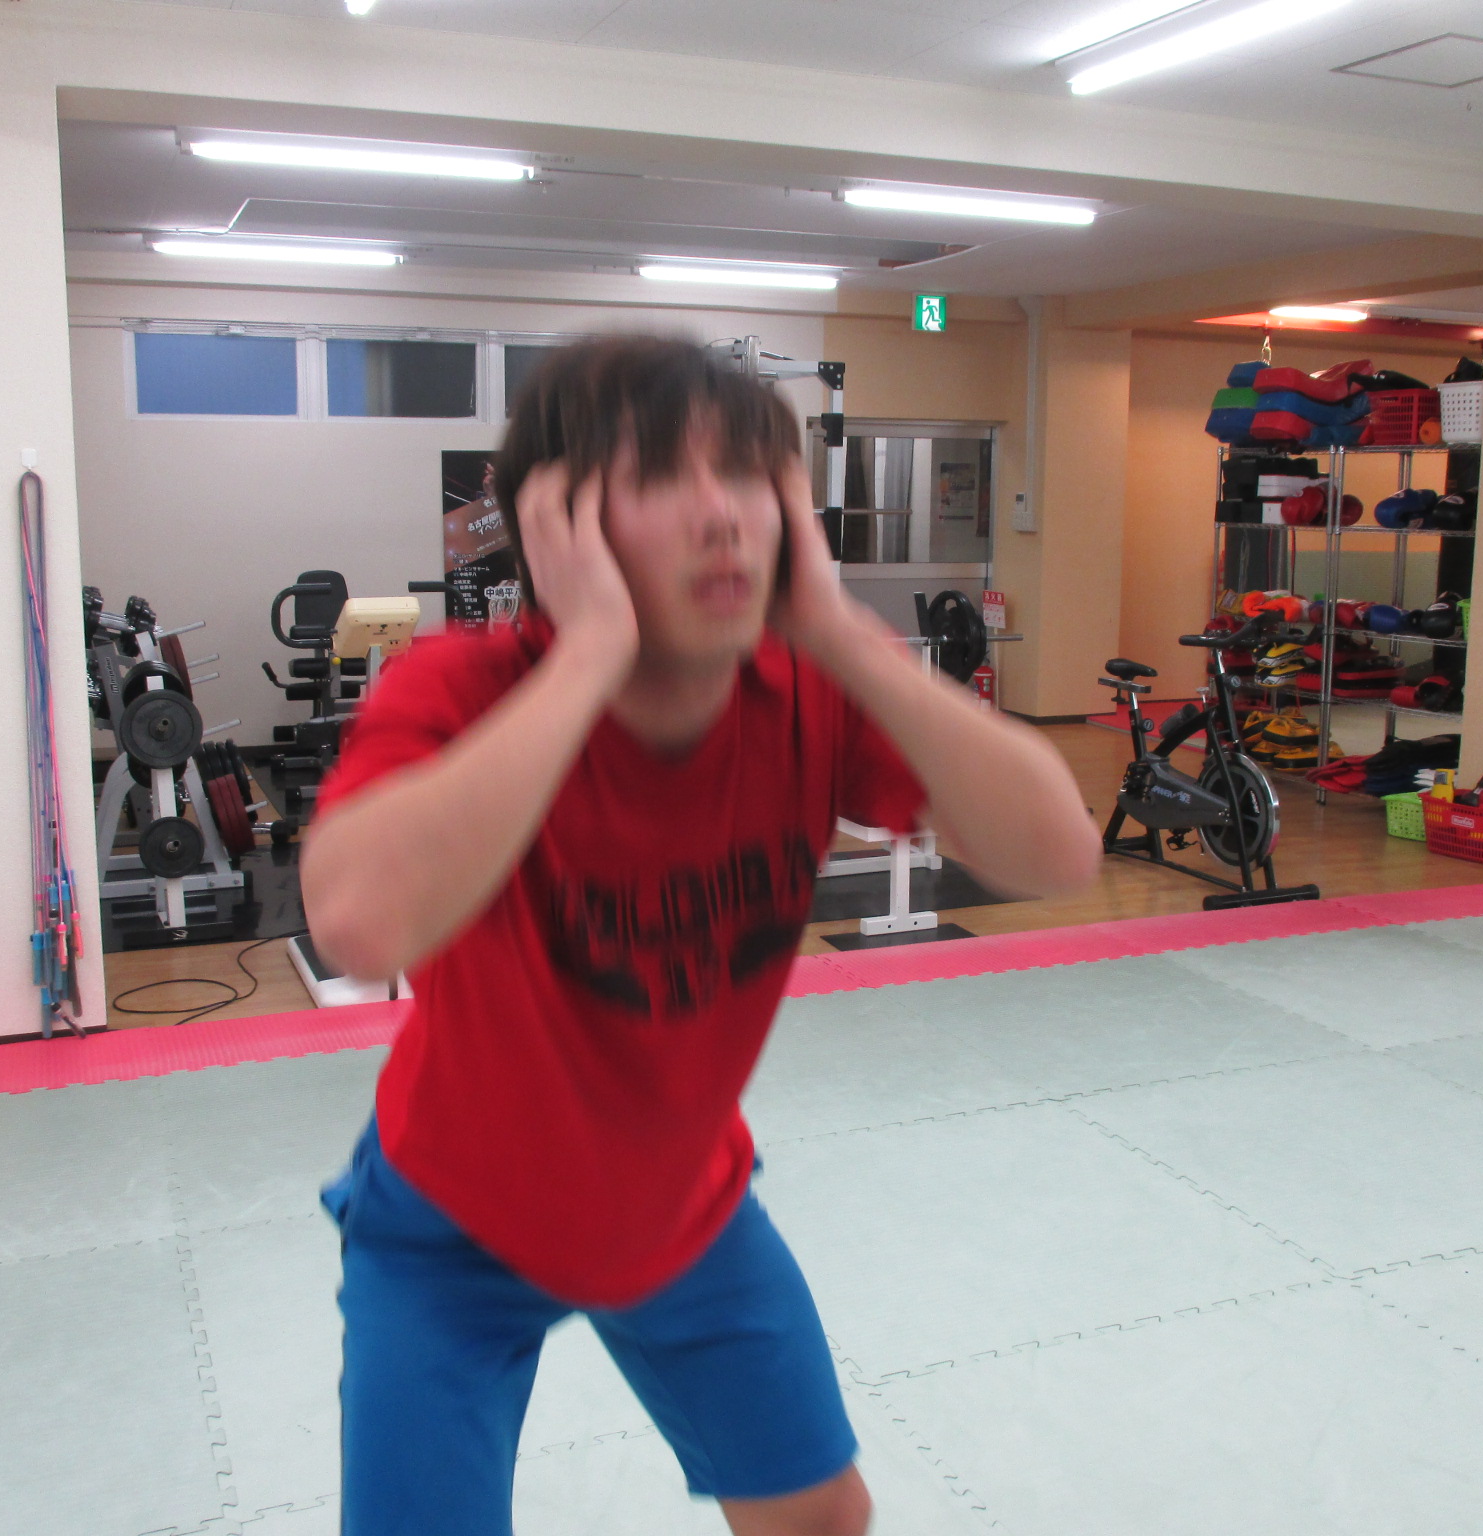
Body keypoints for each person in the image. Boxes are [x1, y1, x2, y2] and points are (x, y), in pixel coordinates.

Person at [303, 336, 1100, 1536]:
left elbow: (1055, 855)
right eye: (661, 479)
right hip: (453, 1221)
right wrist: (589, 653)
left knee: (819, 1519)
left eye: (746, 477)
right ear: (557, 521)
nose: (723, 515)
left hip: (678, 1204)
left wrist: (835, 627)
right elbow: (361, 927)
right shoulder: (460, 689)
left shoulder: (805, 688)